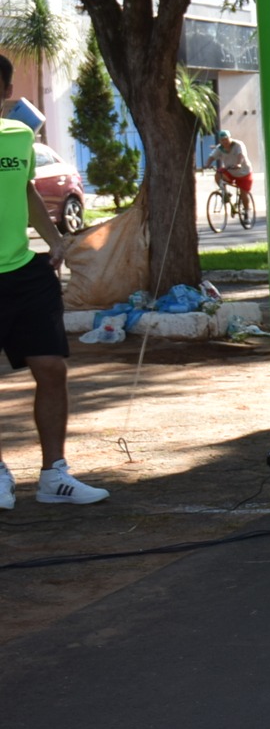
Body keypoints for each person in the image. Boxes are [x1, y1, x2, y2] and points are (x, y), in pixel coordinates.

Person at [0, 54, 110, 508]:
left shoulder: (20, 135)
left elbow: (25, 190)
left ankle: (54, 476)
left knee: (51, 369)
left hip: (25, 272)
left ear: (5, 91)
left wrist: (56, 240)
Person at [209, 127, 253, 209]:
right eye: (222, 140)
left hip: (244, 172)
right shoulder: (220, 148)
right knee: (218, 174)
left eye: (226, 139)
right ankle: (225, 193)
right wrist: (207, 164)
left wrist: (238, 164)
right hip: (230, 171)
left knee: (244, 193)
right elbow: (212, 156)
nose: (225, 142)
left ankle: (246, 211)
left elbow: (241, 155)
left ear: (230, 138)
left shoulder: (238, 145)